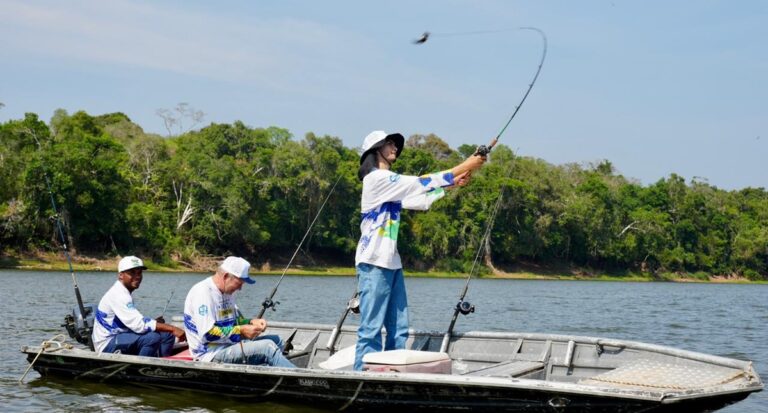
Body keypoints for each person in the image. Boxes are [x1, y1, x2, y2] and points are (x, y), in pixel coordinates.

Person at [354, 130, 486, 370]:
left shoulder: (389, 184)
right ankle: (361, 375)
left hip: (392, 263)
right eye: (389, 143)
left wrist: (451, 185)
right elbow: (419, 181)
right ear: (376, 150)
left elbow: (419, 199)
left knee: (399, 329)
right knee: (371, 328)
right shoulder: (375, 179)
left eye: (395, 143)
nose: (395, 147)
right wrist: (465, 165)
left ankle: (393, 374)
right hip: (373, 263)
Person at [183, 256, 295, 367]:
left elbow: (235, 321)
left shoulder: (227, 292)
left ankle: (279, 374)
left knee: (277, 340)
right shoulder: (203, 293)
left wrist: (251, 322)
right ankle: (297, 379)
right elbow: (207, 334)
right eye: (239, 283)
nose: (240, 288)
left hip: (229, 345)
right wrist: (241, 331)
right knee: (267, 348)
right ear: (226, 276)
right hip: (210, 354)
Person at [92, 256, 186, 357]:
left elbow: (133, 323)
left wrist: (157, 324)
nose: (137, 276)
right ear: (120, 275)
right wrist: (173, 328)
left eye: (139, 272)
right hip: (107, 344)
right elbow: (139, 325)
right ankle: (140, 368)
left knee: (167, 335)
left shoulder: (124, 292)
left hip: (121, 335)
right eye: (132, 272)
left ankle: (163, 365)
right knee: (152, 338)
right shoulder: (118, 295)